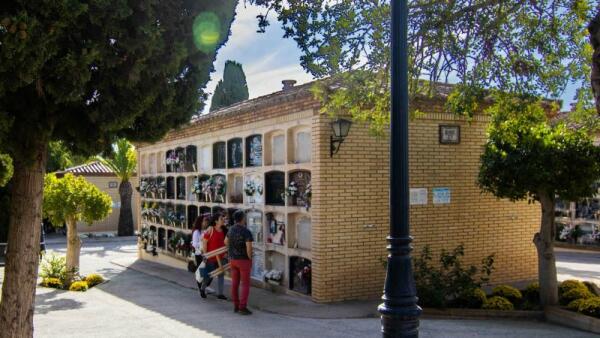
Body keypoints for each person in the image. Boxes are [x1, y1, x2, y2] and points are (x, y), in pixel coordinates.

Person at [225, 210, 253, 315]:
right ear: (242, 219)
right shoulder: (246, 231)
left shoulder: (231, 229)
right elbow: (249, 248)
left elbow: (225, 242)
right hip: (243, 260)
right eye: (244, 217)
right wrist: (250, 259)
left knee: (235, 283)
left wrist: (231, 249)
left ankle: (236, 306)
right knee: (245, 284)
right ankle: (242, 307)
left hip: (233, 259)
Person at [200, 212, 227, 300]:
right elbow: (205, 242)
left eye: (223, 218)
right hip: (211, 257)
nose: (223, 220)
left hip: (221, 256)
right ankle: (203, 289)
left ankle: (220, 293)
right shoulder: (210, 229)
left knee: (221, 274)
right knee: (208, 275)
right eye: (221, 219)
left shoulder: (224, 230)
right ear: (216, 221)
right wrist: (205, 255)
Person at [191, 214, 209, 293]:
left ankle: (203, 287)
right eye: (205, 221)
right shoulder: (196, 232)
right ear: (200, 222)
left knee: (206, 272)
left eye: (207, 221)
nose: (206, 222)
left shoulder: (206, 231)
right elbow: (194, 244)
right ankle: (201, 289)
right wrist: (202, 244)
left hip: (206, 253)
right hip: (199, 254)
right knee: (201, 271)